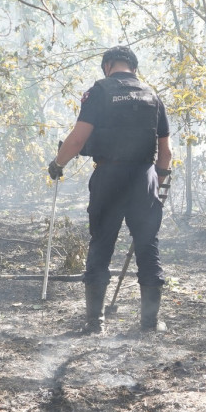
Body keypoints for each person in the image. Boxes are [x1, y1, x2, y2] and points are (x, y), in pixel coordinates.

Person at [48, 45, 172, 334]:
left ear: (107, 66)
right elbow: (165, 153)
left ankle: (95, 323)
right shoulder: (153, 97)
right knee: (147, 247)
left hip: (109, 175)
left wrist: (58, 163)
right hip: (144, 176)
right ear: (134, 68)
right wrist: (157, 184)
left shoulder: (100, 91)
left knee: (101, 245)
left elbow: (78, 139)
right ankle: (150, 324)